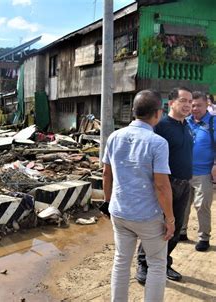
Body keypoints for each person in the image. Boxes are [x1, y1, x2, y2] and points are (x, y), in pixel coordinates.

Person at [103, 90, 174, 302]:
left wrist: (108, 203)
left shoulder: (114, 137)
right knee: (156, 264)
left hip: (119, 212)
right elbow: (162, 186)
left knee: (121, 261)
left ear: (134, 111)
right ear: (158, 113)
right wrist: (169, 219)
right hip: (147, 216)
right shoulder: (158, 142)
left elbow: (107, 174)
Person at [136, 87, 193, 284]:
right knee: (156, 227)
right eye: (184, 100)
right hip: (165, 185)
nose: (188, 105)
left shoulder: (187, 125)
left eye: (190, 102)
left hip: (185, 185)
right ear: (171, 103)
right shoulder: (160, 126)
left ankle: (165, 262)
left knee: (175, 229)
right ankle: (143, 264)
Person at [180, 91, 214, 251]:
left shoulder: (213, 123)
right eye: (192, 105)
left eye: (199, 105)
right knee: (184, 204)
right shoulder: (185, 122)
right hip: (184, 172)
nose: (195, 108)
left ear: (207, 105)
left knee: (202, 206)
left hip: (204, 173)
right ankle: (182, 231)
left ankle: (204, 238)